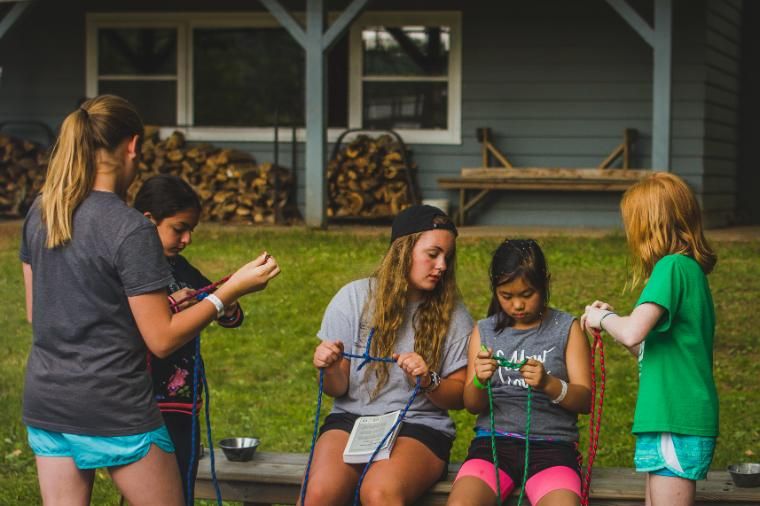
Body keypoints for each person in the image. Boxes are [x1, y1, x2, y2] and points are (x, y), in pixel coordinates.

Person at [19, 95, 280, 506]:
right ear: (133, 146)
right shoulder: (129, 228)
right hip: (113, 405)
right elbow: (161, 338)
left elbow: (38, 314)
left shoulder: (41, 212)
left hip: (48, 401)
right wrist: (228, 293)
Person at [302, 205, 473, 506]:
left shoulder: (454, 314)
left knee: (379, 492)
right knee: (319, 493)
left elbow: (459, 397)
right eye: (433, 254)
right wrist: (328, 367)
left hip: (418, 426)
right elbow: (336, 388)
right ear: (403, 251)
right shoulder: (353, 299)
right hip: (351, 420)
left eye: (448, 256)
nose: (442, 265)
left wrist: (427, 379)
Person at [581, 172, 718, 506]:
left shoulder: (671, 267)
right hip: (671, 417)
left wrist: (604, 318)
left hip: (676, 418)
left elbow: (632, 330)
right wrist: (614, 324)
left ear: (649, 225)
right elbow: (644, 347)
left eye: (633, 224)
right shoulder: (687, 271)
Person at [447, 239, 591, 506]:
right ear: (495, 291)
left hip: (552, 448)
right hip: (493, 446)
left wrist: (549, 384)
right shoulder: (485, 331)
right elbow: (472, 405)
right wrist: (479, 380)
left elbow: (585, 401)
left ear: (544, 283)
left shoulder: (566, 329)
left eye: (527, 294)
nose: (517, 306)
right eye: (507, 296)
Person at [133, 174, 244, 502]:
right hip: (142, 402)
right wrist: (170, 305)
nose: (187, 239)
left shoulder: (181, 268)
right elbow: (127, 324)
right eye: (179, 228)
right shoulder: (132, 269)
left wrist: (227, 302)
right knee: (150, 488)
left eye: (191, 230)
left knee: (182, 485)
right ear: (149, 221)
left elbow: (226, 312)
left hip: (183, 401)